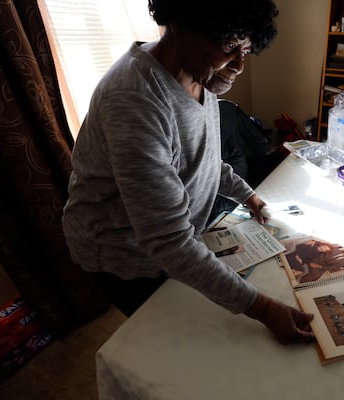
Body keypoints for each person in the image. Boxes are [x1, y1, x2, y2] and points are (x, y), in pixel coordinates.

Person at [62, 0, 314, 345]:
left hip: (170, 236)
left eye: (247, 49)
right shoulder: (135, 100)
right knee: (166, 345)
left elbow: (205, 159)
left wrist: (248, 195)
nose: (240, 65)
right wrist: (266, 311)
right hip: (122, 250)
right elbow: (167, 241)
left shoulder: (200, 77)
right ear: (181, 25)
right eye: (230, 47)